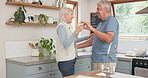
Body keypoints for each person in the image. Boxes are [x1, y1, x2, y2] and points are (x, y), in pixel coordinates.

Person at [77, 1, 119, 73]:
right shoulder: (101, 23)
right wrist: (75, 47)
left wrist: (92, 29)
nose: (96, 11)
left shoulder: (111, 21)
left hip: (105, 60)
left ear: (105, 9)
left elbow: (108, 39)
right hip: (97, 59)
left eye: (98, 9)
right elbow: (92, 41)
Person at [56, 7, 89, 77]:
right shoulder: (61, 27)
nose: (73, 17)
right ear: (65, 15)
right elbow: (65, 44)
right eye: (71, 14)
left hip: (69, 60)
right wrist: (76, 32)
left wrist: (88, 37)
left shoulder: (66, 27)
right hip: (66, 61)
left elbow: (73, 40)